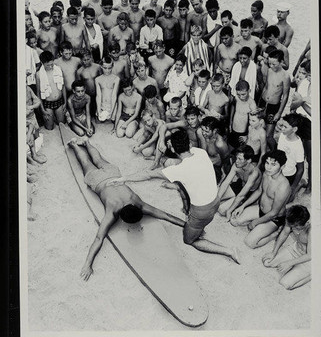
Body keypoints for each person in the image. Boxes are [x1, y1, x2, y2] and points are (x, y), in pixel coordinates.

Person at [109, 128, 239, 262]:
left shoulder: (179, 170)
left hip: (202, 211)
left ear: (174, 151)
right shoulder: (200, 153)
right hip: (215, 200)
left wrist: (122, 179)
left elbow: (147, 175)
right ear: (189, 145)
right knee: (184, 190)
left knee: (189, 240)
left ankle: (229, 251)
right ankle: (198, 227)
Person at [66, 137, 187, 281]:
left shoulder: (134, 203)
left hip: (113, 175)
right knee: (87, 163)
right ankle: (76, 144)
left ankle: (85, 143)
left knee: (96, 161)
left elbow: (99, 238)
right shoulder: (120, 209)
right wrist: (87, 264)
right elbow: (165, 215)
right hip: (100, 179)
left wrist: (186, 225)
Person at [230, 149, 291, 249]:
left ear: (282, 166)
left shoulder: (283, 186)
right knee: (234, 221)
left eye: (273, 165)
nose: (268, 167)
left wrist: (255, 222)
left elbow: (274, 213)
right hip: (260, 209)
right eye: (267, 163)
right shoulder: (267, 174)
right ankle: (257, 224)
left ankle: (274, 234)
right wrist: (242, 206)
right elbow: (259, 191)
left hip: (273, 218)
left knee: (249, 242)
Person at [262, 205, 311, 290]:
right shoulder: (293, 220)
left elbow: (310, 255)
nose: (294, 229)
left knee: (285, 284)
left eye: (297, 228)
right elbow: (284, 233)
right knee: (267, 262)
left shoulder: (313, 231)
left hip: (309, 260)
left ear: (307, 223)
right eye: (292, 227)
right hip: (295, 249)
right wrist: (274, 252)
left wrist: (289, 263)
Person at [217, 144, 262, 220]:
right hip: (240, 185)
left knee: (222, 210)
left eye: (240, 159)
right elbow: (226, 182)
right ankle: (232, 200)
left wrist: (230, 211)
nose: (236, 161)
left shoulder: (254, 173)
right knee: (215, 197)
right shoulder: (236, 165)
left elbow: (242, 195)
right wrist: (217, 199)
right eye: (236, 158)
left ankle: (238, 204)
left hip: (249, 193)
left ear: (248, 160)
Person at [257, 48, 291, 150]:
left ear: (281, 62)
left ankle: (274, 150)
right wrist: (259, 104)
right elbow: (266, 87)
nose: (272, 66)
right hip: (263, 103)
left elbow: (285, 96)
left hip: (273, 106)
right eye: (270, 63)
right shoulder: (269, 70)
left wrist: (279, 113)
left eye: (274, 64)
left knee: (268, 135)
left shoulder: (285, 76)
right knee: (259, 129)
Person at [290, 59, 311, 193]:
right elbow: (293, 105)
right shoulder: (303, 83)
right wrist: (302, 101)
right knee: (298, 153)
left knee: (310, 157)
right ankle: (299, 181)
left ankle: (310, 184)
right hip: (299, 120)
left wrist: (301, 101)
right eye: (308, 74)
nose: (309, 77)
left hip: (311, 124)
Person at [277, 113, 305, 203]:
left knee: (286, 201)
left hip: (289, 174)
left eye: (285, 127)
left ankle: (299, 185)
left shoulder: (298, 146)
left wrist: (293, 187)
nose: (282, 129)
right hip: (278, 171)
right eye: (282, 126)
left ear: (294, 129)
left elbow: (300, 169)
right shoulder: (282, 136)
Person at [36, 51, 66, 130]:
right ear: (42, 63)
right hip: (48, 103)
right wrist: (42, 110)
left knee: (62, 124)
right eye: (47, 65)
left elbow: (63, 87)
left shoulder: (58, 69)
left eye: (52, 64)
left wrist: (65, 102)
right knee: (49, 128)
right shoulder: (39, 74)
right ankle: (52, 116)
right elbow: (38, 93)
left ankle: (56, 115)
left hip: (59, 101)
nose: (50, 67)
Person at [197, 116, 231, 184]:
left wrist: (227, 177)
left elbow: (226, 162)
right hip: (202, 163)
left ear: (215, 131)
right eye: (202, 129)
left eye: (206, 131)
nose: (203, 133)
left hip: (214, 169)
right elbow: (199, 149)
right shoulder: (199, 132)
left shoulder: (220, 144)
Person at [228, 79, 257, 151]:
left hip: (243, 132)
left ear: (249, 91)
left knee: (240, 151)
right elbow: (233, 108)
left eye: (243, 94)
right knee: (230, 148)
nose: (241, 97)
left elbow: (254, 123)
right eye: (238, 94)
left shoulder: (252, 104)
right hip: (234, 128)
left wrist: (247, 135)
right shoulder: (236, 98)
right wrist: (230, 122)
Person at [76, 49, 102, 118]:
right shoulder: (79, 71)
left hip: (98, 94)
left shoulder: (97, 67)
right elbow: (79, 85)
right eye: (84, 60)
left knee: (100, 114)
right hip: (88, 95)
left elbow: (102, 79)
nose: (86, 62)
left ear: (91, 57)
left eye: (88, 59)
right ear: (81, 60)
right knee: (90, 114)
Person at [95, 56, 120, 123]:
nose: (107, 70)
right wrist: (98, 110)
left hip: (112, 104)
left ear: (112, 67)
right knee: (100, 119)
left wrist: (111, 111)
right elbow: (98, 96)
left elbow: (114, 95)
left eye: (109, 68)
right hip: (102, 105)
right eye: (105, 68)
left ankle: (113, 113)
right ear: (101, 66)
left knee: (113, 119)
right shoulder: (98, 79)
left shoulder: (116, 79)